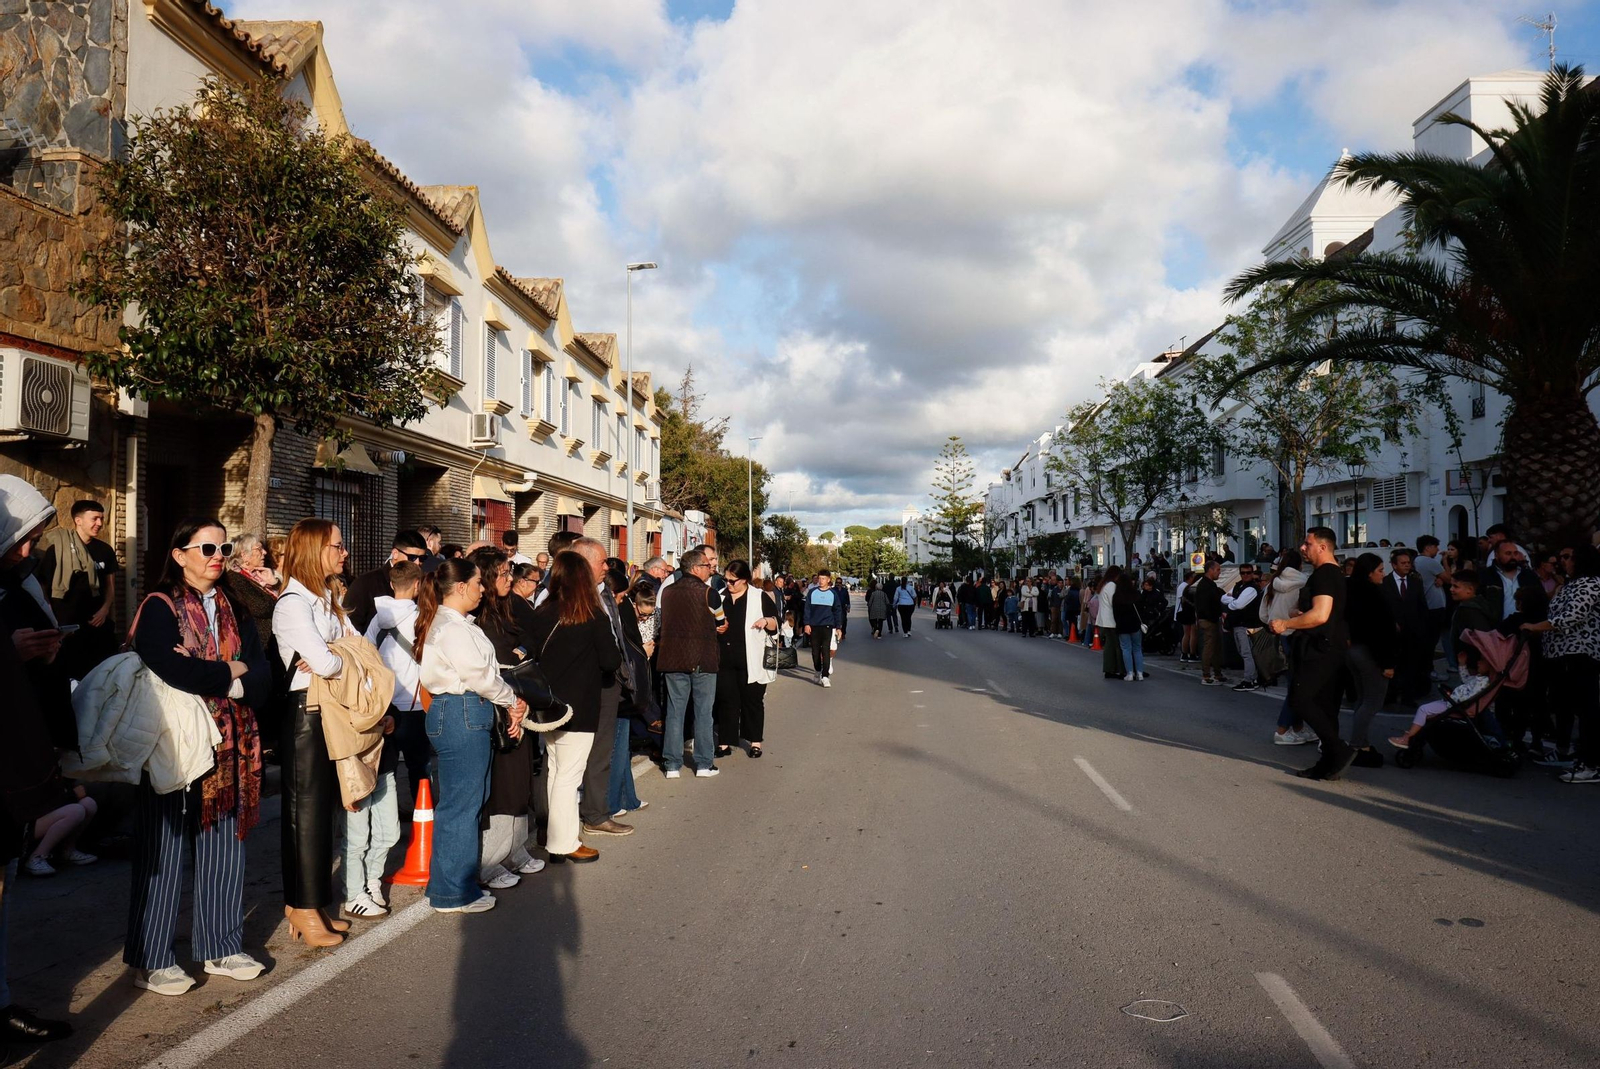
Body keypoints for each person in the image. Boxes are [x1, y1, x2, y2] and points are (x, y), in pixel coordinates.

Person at [126, 518, 271, 994]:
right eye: (207, 547)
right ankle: (152, 958)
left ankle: (220, 946)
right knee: (163, 849)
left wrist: (220, 675)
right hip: (174, 741)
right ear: (179, 554)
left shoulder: (237, 605)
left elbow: (263, 672)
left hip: (230, 744)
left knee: (224, 845)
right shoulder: (160, 606)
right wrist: (231, 671)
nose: (217, 556)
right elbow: (169, 669)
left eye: (223, 548)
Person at [413, 556, 526, 908]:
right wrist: (511, 700)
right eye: (478, 583)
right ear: (461, 587)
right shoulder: (452, 628)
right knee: (461, 805)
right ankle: (452, 892)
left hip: (464, 710)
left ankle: (452, 885)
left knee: (467, 802)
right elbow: (479, 676)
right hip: (461, 710)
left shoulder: (457, 624)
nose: (483, 589)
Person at [272, 518, 359, 946]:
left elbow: (356, 647)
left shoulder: (325, 597)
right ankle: (302, 906)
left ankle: (314, 903)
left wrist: (337, 654)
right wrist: (338, 656)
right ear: (314, 550)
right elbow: (326, 663)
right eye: (337, 546)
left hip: (328, 709)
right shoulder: (293, 603)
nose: (345, 552)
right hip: (305, 714)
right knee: (303, 813)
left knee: (323, 813)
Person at [527, 551, 621, 861]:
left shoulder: (542, 611)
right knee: (568, 775)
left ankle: (556, 838)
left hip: (548, 705)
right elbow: (611, 660)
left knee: (556, 771)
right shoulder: (591, 615)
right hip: (580, 705)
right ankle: (564, 843)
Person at [464, 549, 546, 889]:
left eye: (510, 572)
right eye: (502, 573)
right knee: (502, 784)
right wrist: (510, 698)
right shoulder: (475, 616)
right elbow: (487, 665)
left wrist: (521, 653)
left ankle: (514, 848)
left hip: (517, 701)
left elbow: (531, 641)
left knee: (520, 780)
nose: (509, 579)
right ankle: (490, 860)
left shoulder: (510, 606)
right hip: (494, 706)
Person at [356, 560, 425, 913]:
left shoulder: (375, 617)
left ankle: (378, 841)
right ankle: (421, 836)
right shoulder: (420, 618)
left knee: (384, 776)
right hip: (413, 706)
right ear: (416, 585)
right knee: (420, 774)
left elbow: (366, 658)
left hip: (383, 708)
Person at [1269, 528, 1356, 780]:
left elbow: (1320, 615)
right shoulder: (1327, 574)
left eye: (1308, 543)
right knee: (1325, 706)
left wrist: (1285, 624)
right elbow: (1318, 611)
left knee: (1300, 700)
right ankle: (1329, 763)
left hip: (1320, 650)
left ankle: (1338, 750)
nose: (1302, 548)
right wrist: (1299, 614)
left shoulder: (1326, 574)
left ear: (1323, 547)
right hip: (1328, 647)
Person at [1518, 545, 1600, 781]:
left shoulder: (1590, 584)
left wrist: (1535, 627)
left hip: (1581, 655)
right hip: (1561, 656)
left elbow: (1570, 617)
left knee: (1587, 710)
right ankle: (1567, 752)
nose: (1561, 561)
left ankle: (1591, 764)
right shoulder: (1570, 584)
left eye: (1567, 557)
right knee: (1564, 705)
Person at [571, 538, 634, 838]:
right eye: (602, 561)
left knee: (601, 752)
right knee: (567, 756)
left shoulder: (605, 592)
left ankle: (596, 814)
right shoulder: (568, 596)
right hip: (580, 685)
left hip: (608, 682)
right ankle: (552, 821)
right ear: (584, 564)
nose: (607, 567)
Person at [656, 548, 725, 774]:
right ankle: (704, 763)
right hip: (703, 658)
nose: (710, 569)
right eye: (706, 565)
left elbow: (662, 621)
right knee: (703, 712)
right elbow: (721, 621)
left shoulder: (667, 592)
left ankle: (672, 764)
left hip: (672, 658)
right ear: (695, 568)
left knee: (674, 712)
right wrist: (720, 626)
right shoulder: (709, 593)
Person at [35, 499, 119, 680]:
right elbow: (42, 587)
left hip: (96, 624)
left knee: (101, 675)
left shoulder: (105, 551)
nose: (100, 523)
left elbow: (110, 585)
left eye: (101, 518)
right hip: (67, 626)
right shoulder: (57, 550)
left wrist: (105, 610)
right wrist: (54, 618)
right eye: (95, 518)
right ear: (78, 520)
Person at [714, 560, 779, 758]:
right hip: (724, 659)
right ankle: (725, 742)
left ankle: (755, 741)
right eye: (726, 580)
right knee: (726, 700)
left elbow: (776, 622)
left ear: (744, 580)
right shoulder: (719, 597)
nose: (728, 584)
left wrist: (765, 621)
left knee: (752, 701)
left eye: (732, 581)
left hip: (752, 659)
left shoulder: (759, 597)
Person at [1344, 553, 1397, 769]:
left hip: (1354, 651)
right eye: (1380, 570)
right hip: (1370, 655)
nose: (1383, 574)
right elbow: (1381, 633)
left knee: (1362, 699)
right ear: (1369, 573)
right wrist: (1388, 664)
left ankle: (1362, 743)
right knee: (1372, 702)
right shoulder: (1373, 595)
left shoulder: (1350, 590)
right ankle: (1357, 745)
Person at [346, 530, 430, 634]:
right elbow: (352, 624)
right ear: (395, 553)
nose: (417, 563)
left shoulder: (425, 583)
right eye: (412, 558)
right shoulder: (366, 583)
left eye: (422, 558)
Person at [1382, 548, 1432, 703]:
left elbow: (1422, 605)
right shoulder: (1385, 583)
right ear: (1394, 565)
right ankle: (1390, 695)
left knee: (1411, 664)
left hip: (1413, 631)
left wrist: (1422, 628)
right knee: (1393, 664)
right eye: (1403, 563)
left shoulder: (1415, 582)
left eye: (1408, 563)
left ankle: (1408, 696)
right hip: (1392, 632)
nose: (1406, 566)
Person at [1222, 563, 1264, 692]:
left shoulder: (1251, 588)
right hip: (1239, 624)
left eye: (1248, 573)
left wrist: (1233, 601)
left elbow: (1238, 605)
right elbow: (1224, 598)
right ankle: (1252, 678)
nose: (1245, 575)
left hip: (1245, 625)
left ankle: (1249, 680)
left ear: (1252, 573)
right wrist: (1235, 600)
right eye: (1243, 573)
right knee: (1244, 652)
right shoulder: (1239, 585)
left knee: (1246, 653)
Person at [803, 570, 845, 686]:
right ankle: (817, 670)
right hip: (814, 626)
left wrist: (838, 627)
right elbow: (807, 609)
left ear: (828, 580)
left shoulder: (833, 594)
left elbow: (837, 611)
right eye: (819, 578)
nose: (821, 581)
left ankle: (825, 676)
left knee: (826, 650)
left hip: (827, 626)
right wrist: (806, 624)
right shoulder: (812, 592)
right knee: (815, 651)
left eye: (823, 579)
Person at [1191, 559, 1225, 685]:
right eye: (1217, 570)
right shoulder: (1205, 586)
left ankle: (1217, 673)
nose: (1219, 572)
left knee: (1215, 647)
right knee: (1209, 647)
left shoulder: (1208, 584)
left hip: (1211, 619)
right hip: (1208, 620)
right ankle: (1206, 675)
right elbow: (1207, 604)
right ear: (1210, 570)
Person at [1111, 575, 1145, 681]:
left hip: (1122, 625)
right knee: (1137, 648)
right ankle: (1140, 673)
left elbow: (1115, 613)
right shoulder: (1136, 594)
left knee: (1126, 649)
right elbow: (1142, 609)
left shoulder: (1117, 596)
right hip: (1135, 624)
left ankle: (1130, 673)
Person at [1096, 567, 1125, 678]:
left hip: (1103, 620)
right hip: (1111, 619)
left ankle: (1108, 669)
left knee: (1109, 645)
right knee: (1118, 645)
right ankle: (1121, 670)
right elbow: (1115, 602)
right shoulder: (1112, 586)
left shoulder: (1103, 585)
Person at [1174, 570, 1197, 663]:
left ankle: (1184, 653)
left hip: (1183, 612)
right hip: (1189, 612)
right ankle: (1192, 654)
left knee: (1186, 634)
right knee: (1192, 634)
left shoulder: (1182, 587)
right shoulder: (1189, 588)